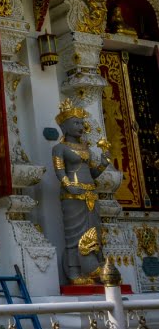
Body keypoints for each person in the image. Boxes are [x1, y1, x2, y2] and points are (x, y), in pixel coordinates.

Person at [52, 99, 110, 284]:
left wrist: (103, 164)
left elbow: (92, 173)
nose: (81, 126)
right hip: (73, 195)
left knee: (94, 232)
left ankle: (94, 267)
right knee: (73, 235)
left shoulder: (85, 148)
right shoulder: (59, 148)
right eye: (76, 123)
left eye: (81, 123)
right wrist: (68, 185)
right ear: (65, 126)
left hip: (90, 193)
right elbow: (59, 170)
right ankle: (75, 273)